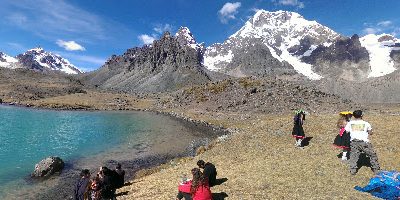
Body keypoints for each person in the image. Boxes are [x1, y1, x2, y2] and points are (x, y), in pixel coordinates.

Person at [345, 110, 380, 175]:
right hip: (364, 143)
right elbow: (371, 133)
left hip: (354, 142)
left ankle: (353, 170)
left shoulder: (350, 123)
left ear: (354, 116)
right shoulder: (366, 123)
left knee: (353, 156)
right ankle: (376, 170)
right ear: (361, 115)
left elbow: (346, 131)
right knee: (372, 155)